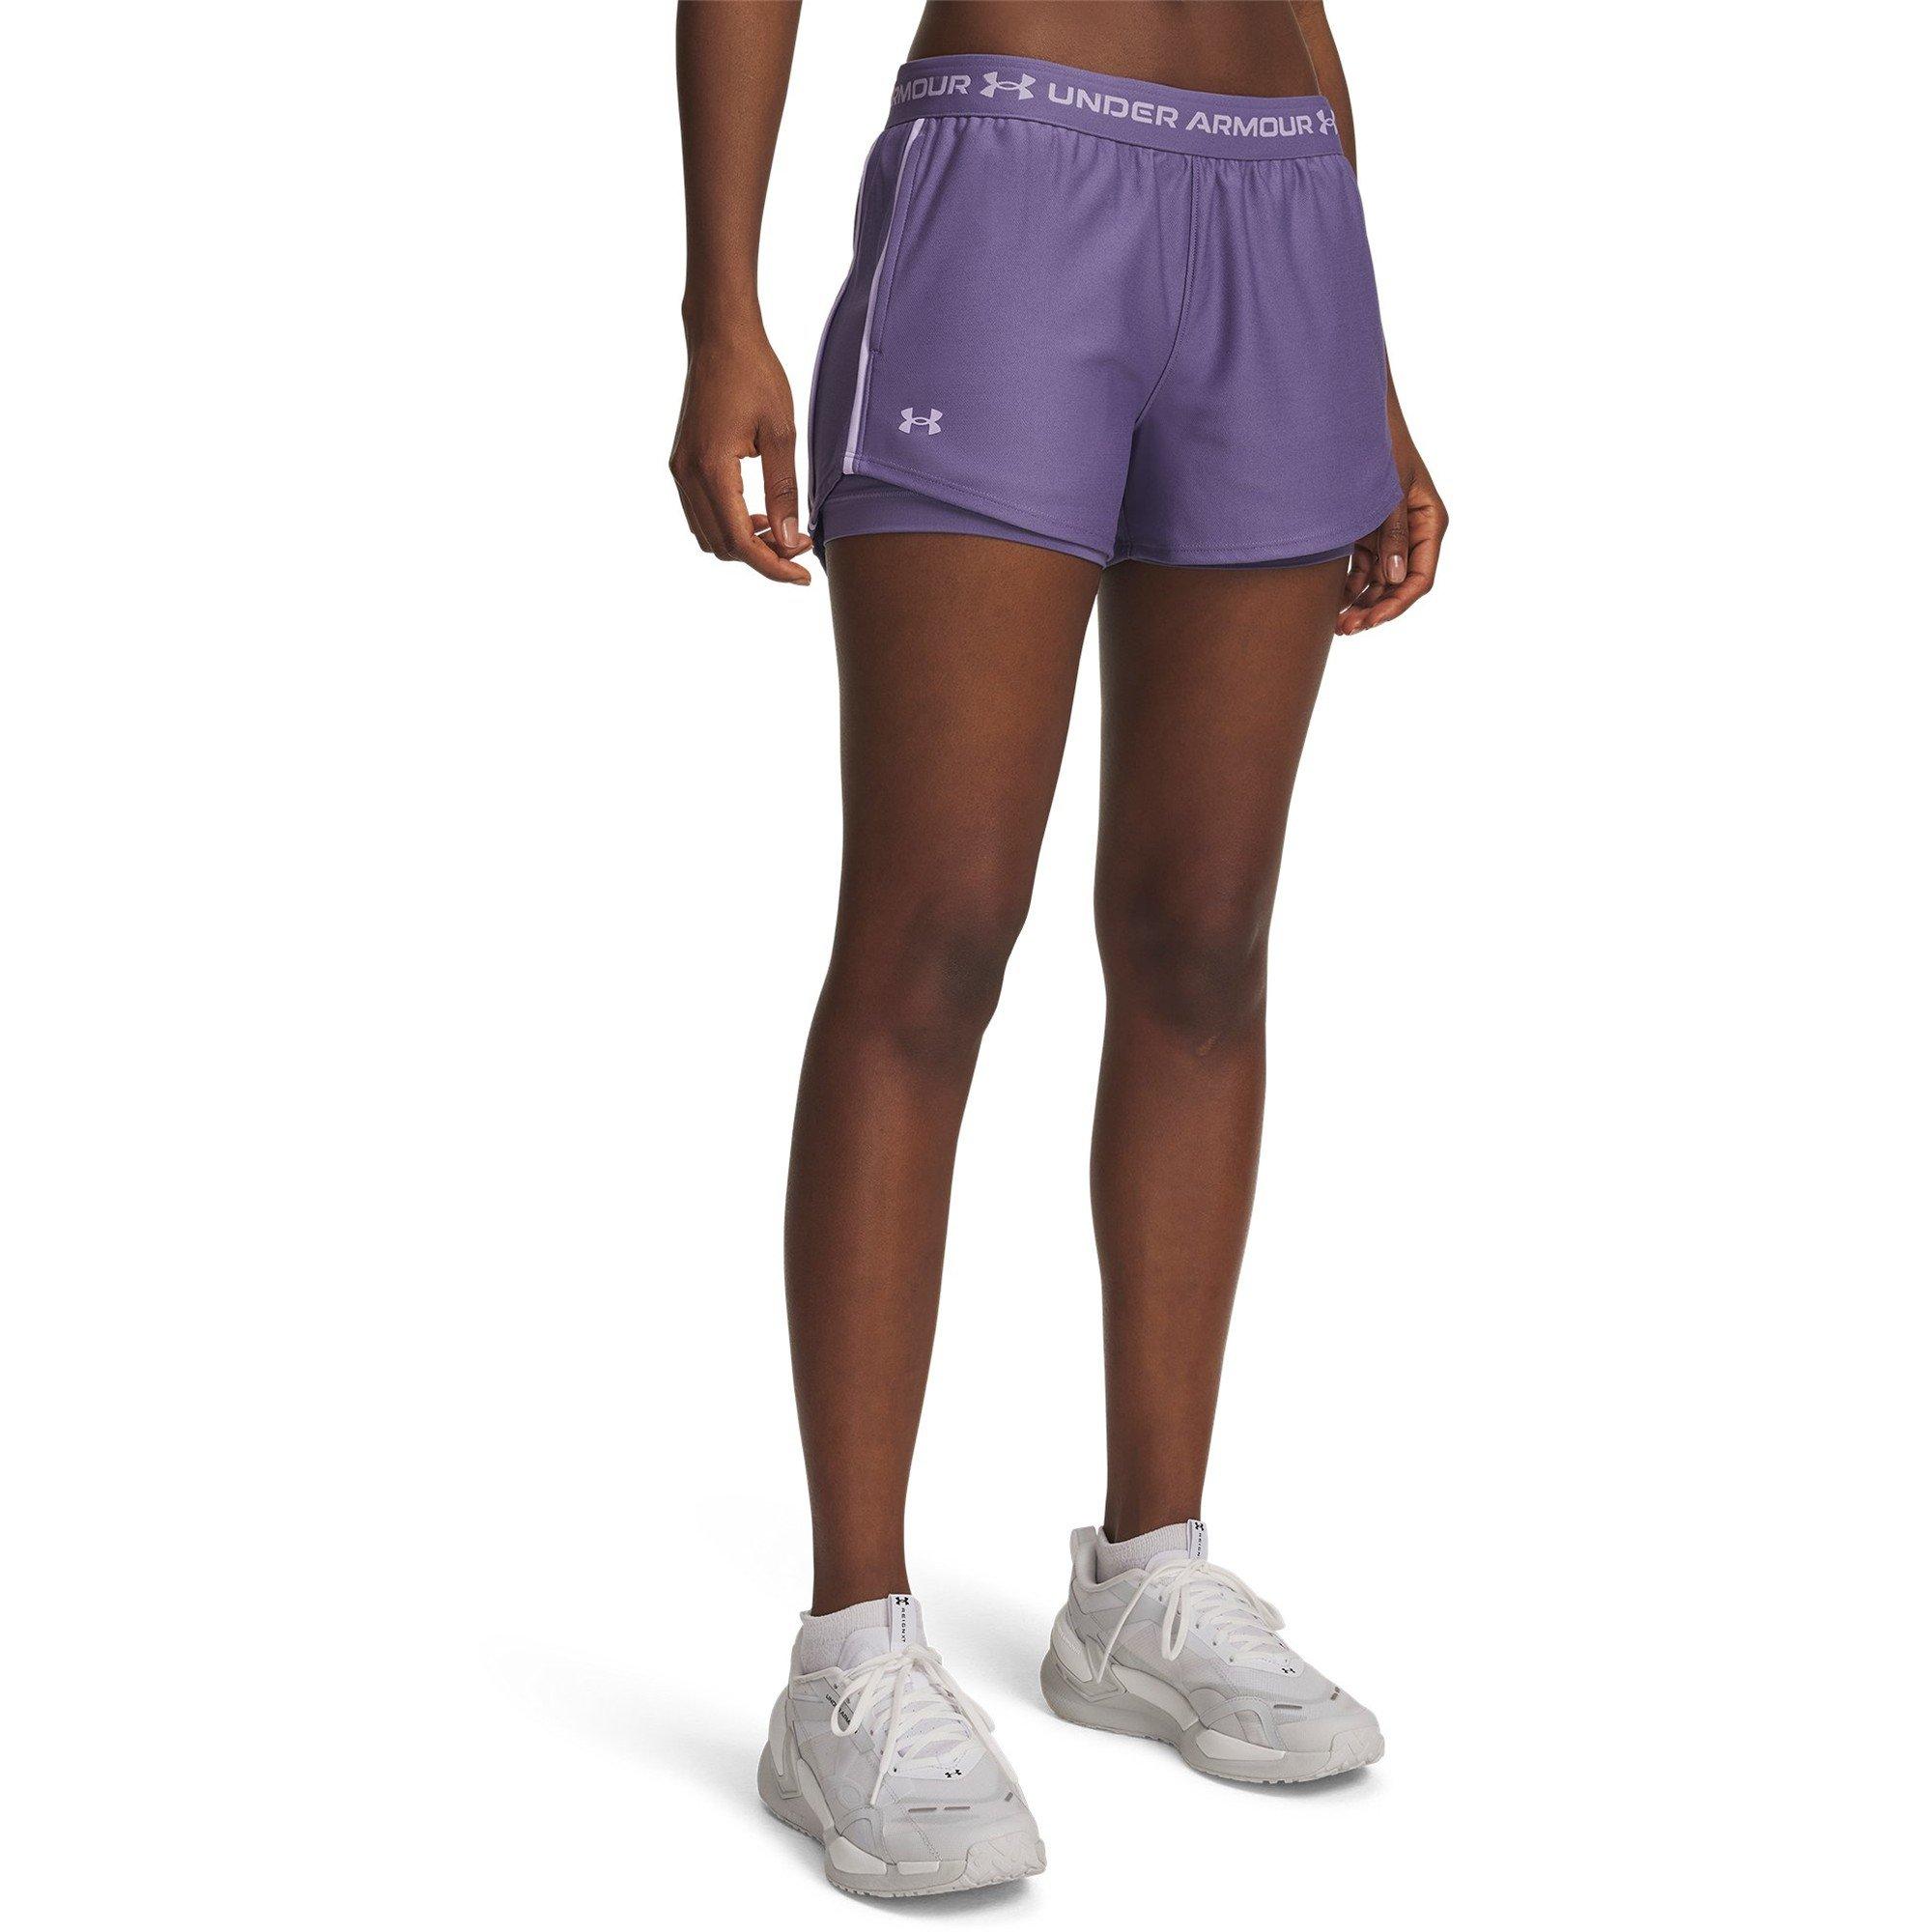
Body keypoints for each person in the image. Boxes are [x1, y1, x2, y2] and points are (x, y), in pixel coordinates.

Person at [672, 1, 1446, 1896]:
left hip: (1281, 209)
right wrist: (720, 306)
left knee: (1203, 938)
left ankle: (1144, 1579)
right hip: (1011, 189)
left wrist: (1370, 371)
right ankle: (850, 1654)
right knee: (932, 935)